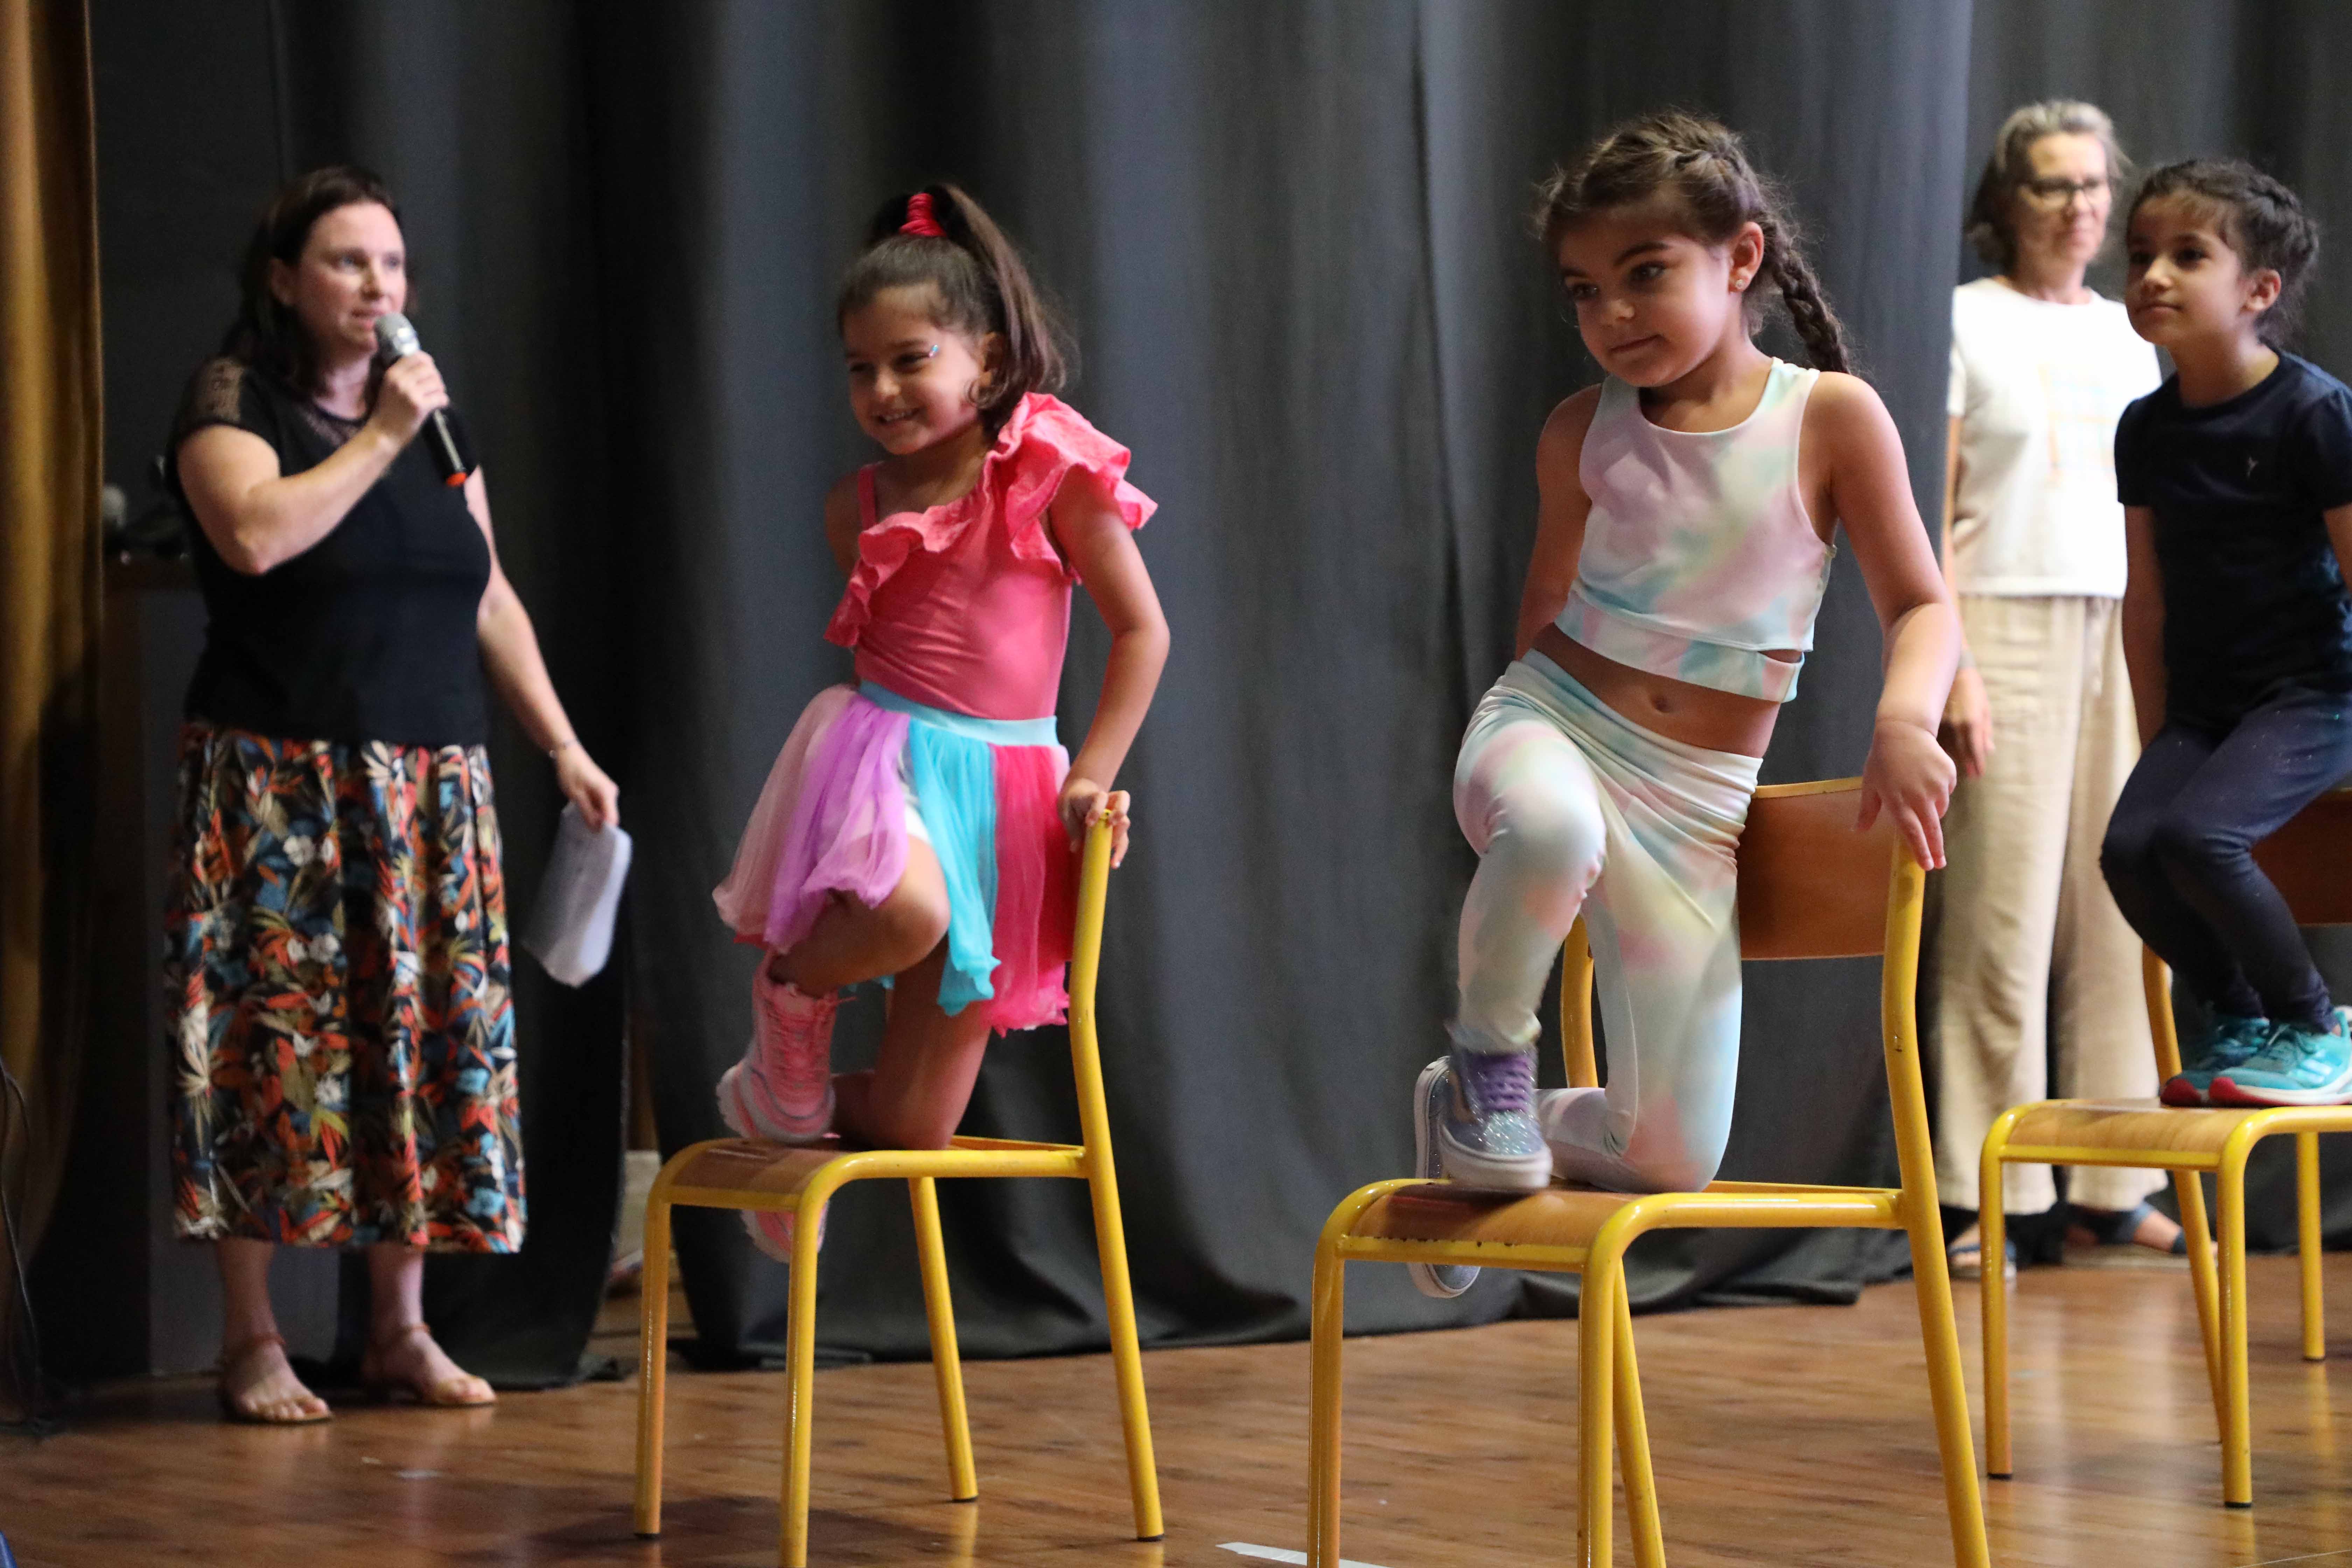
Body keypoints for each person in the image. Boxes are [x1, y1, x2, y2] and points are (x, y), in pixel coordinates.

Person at [1411, 111, 1960, 1297]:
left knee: (1667, 1153)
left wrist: (1904, 722)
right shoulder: (1581, 429)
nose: (1613, 312)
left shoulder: (1830, 417)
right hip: (1552, 724)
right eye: (1584, 290)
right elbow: (1543, 610)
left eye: (1645, 273)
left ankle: (1472, 1118)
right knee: (1553, 829)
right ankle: (1490, 1066)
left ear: (1741, 257)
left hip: (1696, 801)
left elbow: (1923, 604)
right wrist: (1515, 769)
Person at [166, 166, 620, 1423]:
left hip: (431, 787)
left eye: (393, 265)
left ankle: (398, 1330)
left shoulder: (433, 419)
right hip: (282, 783)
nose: (380, 287)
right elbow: (256, 534)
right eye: (348, 262)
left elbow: (489, 591)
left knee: (417, 1054)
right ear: (284, 280)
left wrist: (562, 746)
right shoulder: (233, 401)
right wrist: (378, 439)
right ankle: (252, 1338)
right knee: (271, 1056)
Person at [710, 184, 1169, 1258]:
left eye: (910, 359)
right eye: (860, 368)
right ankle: (789, 1004)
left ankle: (784, 1116)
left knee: (919, 1126)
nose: (882, 389)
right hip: (889, 761)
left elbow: (1143, 631)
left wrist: (1090, 774)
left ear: (989, 361)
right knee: (909, 911)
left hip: (1008, 795)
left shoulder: (1050, 470)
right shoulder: (858, 507)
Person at [1932, 102, 2177, 1280]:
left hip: (2120, 627)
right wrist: (1952, 664)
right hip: (2004, 619)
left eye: (2092, 185)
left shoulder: (2134, 333)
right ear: (2008, 203)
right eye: (2051, 185)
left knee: (2125, 913)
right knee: (2001, 918)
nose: (2078, 207)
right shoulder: (1965, 320)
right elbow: (1929, 509)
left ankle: (2112, 1184)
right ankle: (1992, 1191)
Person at [2102, 160, 2352, 1110]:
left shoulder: (2313, 413)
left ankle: (2315, 1027)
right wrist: (2158, 737)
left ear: (2259, 291)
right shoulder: (2145, 429)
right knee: (2132, 850)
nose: (2152, 276)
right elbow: (2147, 601)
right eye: (2141, 256)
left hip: (2312, 694)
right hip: (2208, 708)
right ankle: (2237, 1015)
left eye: (2187, 256)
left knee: (2201, 838)